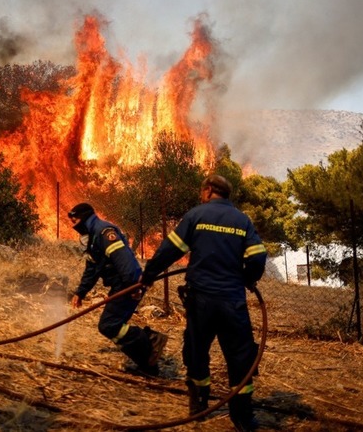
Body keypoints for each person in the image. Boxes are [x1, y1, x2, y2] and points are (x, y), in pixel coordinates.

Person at [139, 174, 267, 431]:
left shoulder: (196, 215)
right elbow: (258, 256)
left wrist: (149, 275)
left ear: (209, 190)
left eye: (202, 191)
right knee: (241, 355)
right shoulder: (242, 220)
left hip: (202, 301)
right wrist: (247, 278)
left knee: (197, 350)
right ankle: (241, 415)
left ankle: (199, 403)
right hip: (232, 301)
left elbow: (169, 250)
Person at [67, 203, 168, 376]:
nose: (72, 225)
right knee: (113, 326)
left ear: (83, 217)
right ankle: (148, 365)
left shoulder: (104, 232)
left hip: (128, 283)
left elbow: (125, 261)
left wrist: (132, 286)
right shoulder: (92, 237)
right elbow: (91, 269)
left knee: (109, 325)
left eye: (74, 220)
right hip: (122, 284)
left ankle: (152, 340)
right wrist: (80, 292)